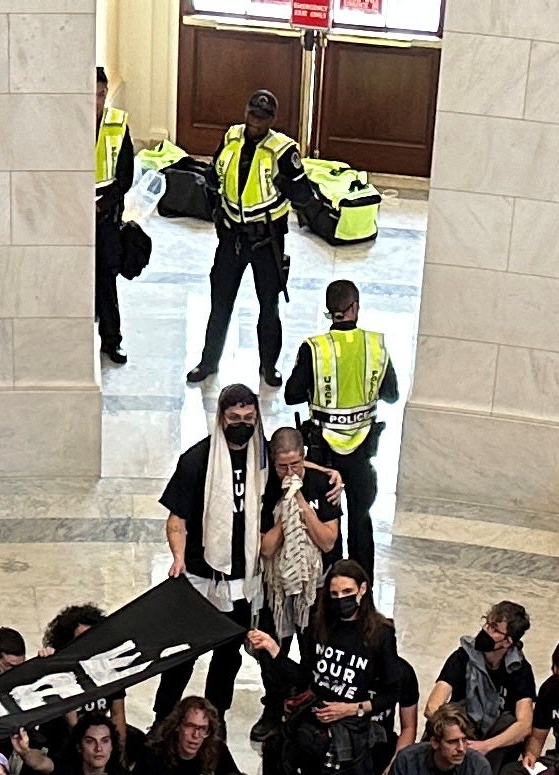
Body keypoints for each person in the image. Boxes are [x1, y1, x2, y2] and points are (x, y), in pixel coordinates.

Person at [158, 389, 272, 721]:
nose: (242, 425)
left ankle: (216, 719)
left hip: (243, 578)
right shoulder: (197, 459)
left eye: (248, 419)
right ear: (221, 417)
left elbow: (291, 462)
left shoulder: (261, 457)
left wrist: (329, 476)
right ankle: (163, 716)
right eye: (234, 419)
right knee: (182, 654)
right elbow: (176, 519)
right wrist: (178, 556)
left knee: (228, 654)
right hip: (200, 573)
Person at [284, 277, 400, 581]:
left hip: (324, 450)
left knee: (328, 518)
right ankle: (363, 587)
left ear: (329, 310)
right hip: (362, 451)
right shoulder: (375, 346)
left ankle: (330, 583)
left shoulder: (315, 348)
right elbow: (391, 394)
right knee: (361, 519)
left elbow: (291, 394)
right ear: (355, 308)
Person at [193, 88, 302, 386]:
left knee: (269, 305)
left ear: (272, 119)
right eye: (253, 115)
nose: (256, 122)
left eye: (263, 118)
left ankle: (268, 367)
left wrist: (288, 184)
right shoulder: (231, 137)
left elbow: (303, 194)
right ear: (246, 112)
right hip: (231, 235)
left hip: (266, 239)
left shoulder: (283, 150)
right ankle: (208, 362)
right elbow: (215, 172)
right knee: (220, 302)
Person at [92, 69, 134, 362]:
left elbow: (125, 176)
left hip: (104, 217)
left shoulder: (117, 125)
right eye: (92, 93)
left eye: (101, 94)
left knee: (106, 279)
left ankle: (111, 340)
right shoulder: (66, 123)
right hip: (71, 216)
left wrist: (101, 206)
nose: (97, 101)